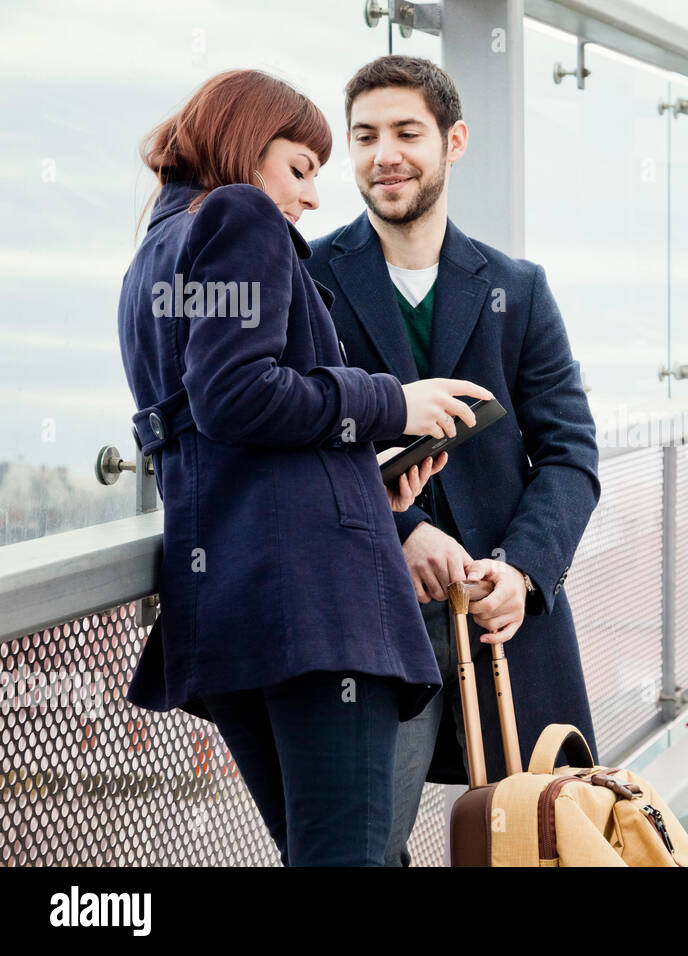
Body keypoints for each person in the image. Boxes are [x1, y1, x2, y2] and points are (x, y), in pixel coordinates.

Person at [117, 68, 493, 866]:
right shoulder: (239, 215)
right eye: (299, 166)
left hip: (230, 606)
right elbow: (237, 395)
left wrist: (366, 476)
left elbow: (212, 427)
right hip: (315, 611)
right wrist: (392, 403)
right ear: (245, 146)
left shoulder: (154, 250)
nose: (313, 198)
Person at [305, 55, 602, 866]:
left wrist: (524, 572)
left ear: (454, 140)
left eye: (406, 132)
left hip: (505, 619)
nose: (382, 155)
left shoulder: (519, 288)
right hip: (371, 614)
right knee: (366, 846)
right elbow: (293, 450)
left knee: (541, 838)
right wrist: (397, 528)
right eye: (364, 137)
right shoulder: (310, 280)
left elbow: (571, 453)